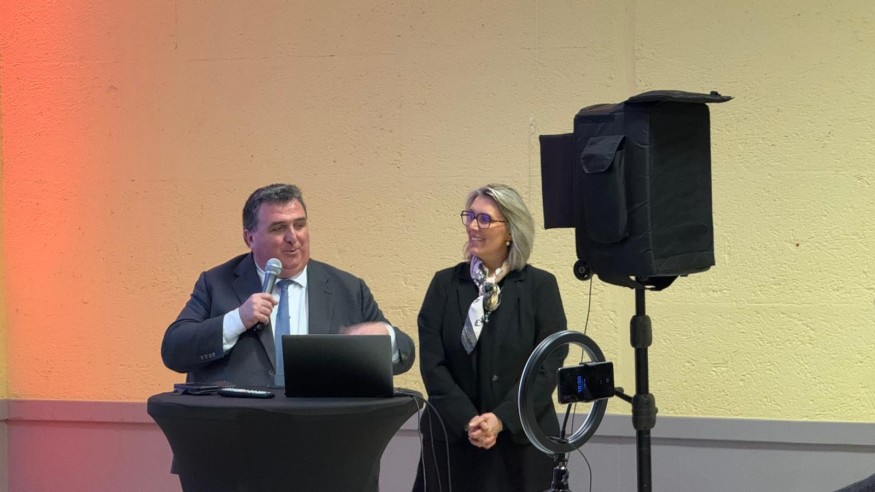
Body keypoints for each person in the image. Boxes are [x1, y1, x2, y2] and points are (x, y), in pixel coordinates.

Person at [162, 183, 415, 387]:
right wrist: (237, 320)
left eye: (299, 225)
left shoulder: (347, 288)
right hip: (239, 426)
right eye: (278, 228)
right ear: (250, 238)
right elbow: (174, 351)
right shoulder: (217, 283)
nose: (293, 238)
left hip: (323, 427)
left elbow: (405, 354)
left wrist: (387, 337)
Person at [413, 184, 568, 492]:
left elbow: (548, 366)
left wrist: (501, 419)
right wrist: (469, 420)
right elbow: (433, 364)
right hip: (453, 440)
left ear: (510, 230)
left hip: (521, 442)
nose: (472, 226)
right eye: (470, 216)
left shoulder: (540, 287)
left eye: (484, 219)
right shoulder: (445, 285)